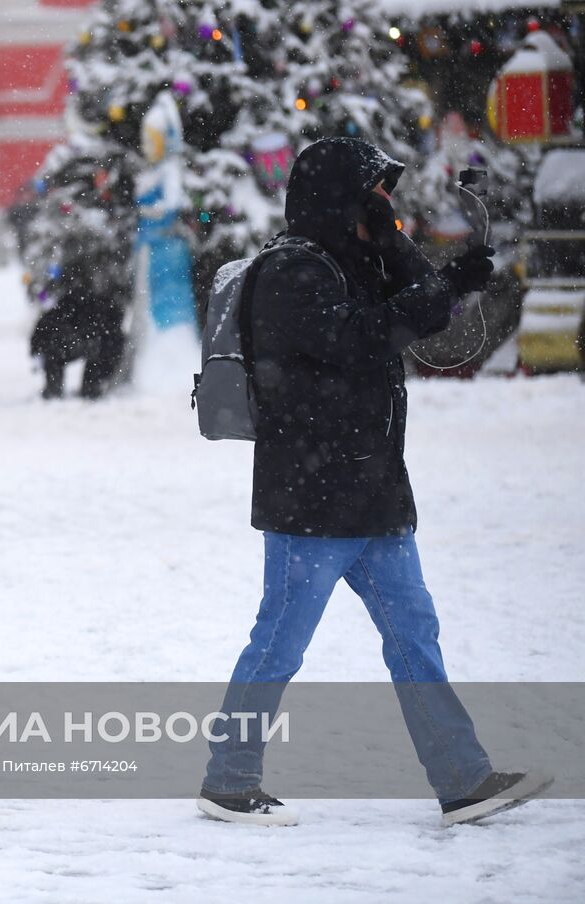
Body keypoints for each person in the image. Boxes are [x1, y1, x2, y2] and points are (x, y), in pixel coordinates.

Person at [198, 137, 549, 827]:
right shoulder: (292, 271)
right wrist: (436, 283)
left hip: (375, 490)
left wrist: (403, 249)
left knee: (415, 633)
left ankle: (463, 780)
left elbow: (429, 314)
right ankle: (229, 779)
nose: (385, 205)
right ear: (340, 197)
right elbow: (364, 338)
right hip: (312, 496)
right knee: (280, 640)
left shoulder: (355, 259)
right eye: (375, 193)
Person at [30, 252, 126, 400]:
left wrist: (36, 349)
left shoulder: (64, 298)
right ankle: (90, 388)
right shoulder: (100, 301)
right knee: (101, 348)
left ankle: (55, 389)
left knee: (56, 352)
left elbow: (44, 313)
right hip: (87, 339)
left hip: (61, 340)